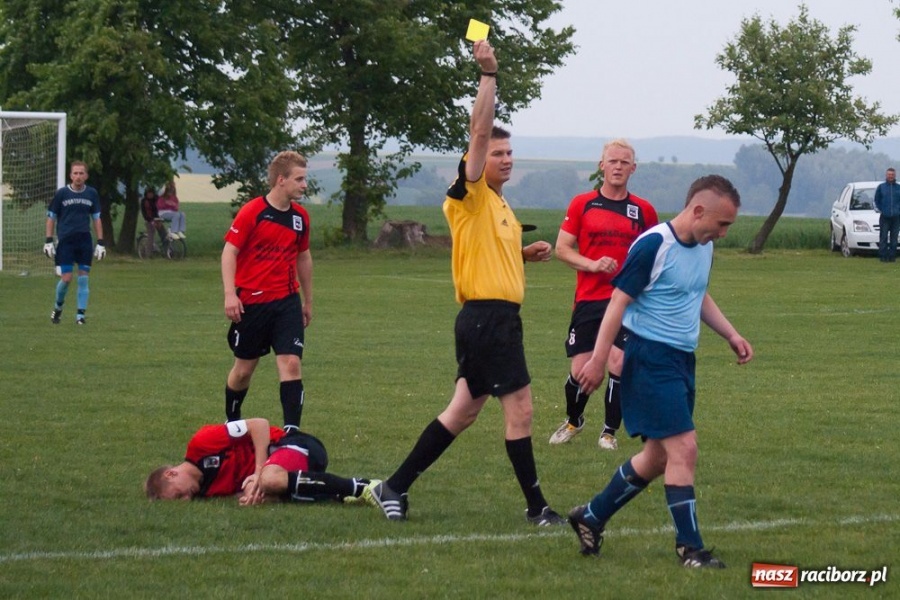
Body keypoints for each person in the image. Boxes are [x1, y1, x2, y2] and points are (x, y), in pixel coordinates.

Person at [364, 40, 564, 526]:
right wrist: (489, 75)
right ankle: (537, 508)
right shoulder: (470, 191)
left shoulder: (498, 202)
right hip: (487, 320)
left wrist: (520, 255)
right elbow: (476, 131)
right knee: (521, 411)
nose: (507, 159)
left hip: (493, 319)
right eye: (499, 152)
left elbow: (482, 254)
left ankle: (394, 486)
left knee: (462, 413)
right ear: (478, 158)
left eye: (511, 151)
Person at [567, 175, 753, 569]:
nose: (723, 233)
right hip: (649, 358)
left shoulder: (703, 247)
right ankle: (691, 549)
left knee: (655, 458)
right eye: (721, 224)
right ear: (698, 210)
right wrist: (599, 360)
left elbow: (697, 292)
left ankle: (591, 516)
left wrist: (731, 334)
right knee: (684, 448)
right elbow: (617, 303)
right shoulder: (654, 244)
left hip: (682, 361)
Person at [549, 139, 658, 451]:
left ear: (633, 169)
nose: (618, 167)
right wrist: (593, 264)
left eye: (625, 162)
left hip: (625, 301)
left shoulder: (644, 210)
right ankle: (574, 420)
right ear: (602, 166)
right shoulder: (582, 204)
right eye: (613, 161)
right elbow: (562, 250)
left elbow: (654, 254)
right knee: (580, 371)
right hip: (589, 300)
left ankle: (608, 432)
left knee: (618, 363)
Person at [222, 151, 313, 434]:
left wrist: (307, 300)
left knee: (291, 364)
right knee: (243, 371)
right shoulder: (253, 211)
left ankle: (291, 433)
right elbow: (229, 252)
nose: (304, 185)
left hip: (286, 301)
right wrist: (229, 294)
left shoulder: (300, 217)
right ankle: (233, 419)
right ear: (281, 180)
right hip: (252, 303)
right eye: (299, 179)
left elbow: (304, 257)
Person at [145, 417, 376, 504]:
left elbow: (259, 424)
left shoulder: (201, 443)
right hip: (290, 470)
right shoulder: (207, 490)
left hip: (295, 444)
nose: (187, 499)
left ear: (170, 474)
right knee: (263, 494)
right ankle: (338, 497)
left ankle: (363, 486)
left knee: (268, 480)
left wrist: (258, 472)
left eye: (179, 494)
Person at [44, 160, 105, 325]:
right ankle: (58, 308)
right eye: (75, 173)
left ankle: (80, 316)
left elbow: (97, 218)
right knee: (66, 278)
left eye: (81, 173)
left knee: (84, 278)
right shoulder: (62, 194)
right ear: (71, 175)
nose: (78, 176)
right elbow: (51, 217)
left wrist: (100, 242)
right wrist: (48, 240)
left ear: (86, 175)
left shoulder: (91, 193)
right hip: (66, 241)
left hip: (84, 239)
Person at [874, 167, 900, 263]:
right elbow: (876, 200)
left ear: (895, 176)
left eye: (892, 175)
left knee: (894, 238)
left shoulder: (898, 188)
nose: (890, 176)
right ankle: (883, 256)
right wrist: (881, 210)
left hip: (896, 217)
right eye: (889, 175)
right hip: (885, 217)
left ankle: (892, 256)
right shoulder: (881, 187)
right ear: (886, 175)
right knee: (883, 237)